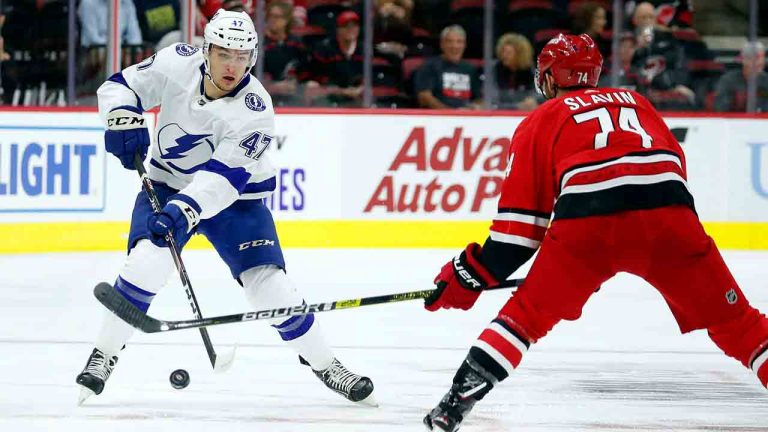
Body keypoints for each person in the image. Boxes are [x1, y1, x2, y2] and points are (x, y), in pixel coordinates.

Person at [422, 34, 768, 432]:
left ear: (550, 78)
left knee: (524, 318)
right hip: (670, 219)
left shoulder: (541, 119)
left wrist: (465, 275)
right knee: (739, 323)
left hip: (588, 225)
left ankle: (452, 407)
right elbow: (674, 169)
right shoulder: (640, 103)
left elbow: (515, 239)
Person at [75, 9, 375, 407]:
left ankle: (326, 363)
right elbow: (120, 86)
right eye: (224, 54)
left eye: (242, 56)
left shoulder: (256, 109)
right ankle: (104, 354)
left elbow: (223, 181)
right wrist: (122, 118)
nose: (233, 65)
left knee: (271, 287)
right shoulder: (176, 61)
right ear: (206, 50)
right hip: (168, 184)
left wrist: (184, 210)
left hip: (237, 199)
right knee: (146, 263)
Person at [413, 25, 481, 109]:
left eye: (459, 42)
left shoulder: (470, 69)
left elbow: (479, 98)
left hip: (465, 118)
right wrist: (449, 112)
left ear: (464, 45)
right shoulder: (430, 66)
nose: (454, 46)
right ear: (442, 44)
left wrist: (472, 109)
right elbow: (424, 97)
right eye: (449, 41)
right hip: (438, 117)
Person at [305, 10, 364, 107]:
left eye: (354, 26)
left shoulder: (364, 50)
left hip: (356, 102)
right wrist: (342, 92)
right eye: (346, 26)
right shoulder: (324, 50)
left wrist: (362, 89)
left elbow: (369, 79)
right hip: (329, 101)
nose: (351, 29)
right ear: (338, 29)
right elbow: (314, 85)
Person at [713, 41, 768, 113]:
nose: (760, 62)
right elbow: (720, 110)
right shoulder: (728, 81)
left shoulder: (766, 81)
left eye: (762, 57)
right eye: (756, 58)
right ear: (743, 59)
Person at [490, 33, 538, 111]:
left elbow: (540, 94)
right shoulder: (495, 69)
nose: (504, 56)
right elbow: (492, 100)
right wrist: (516, 106)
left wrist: (532, 100)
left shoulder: (530, 70)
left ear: (520, 55)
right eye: (503, 52)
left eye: (508, 53)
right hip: (500, 114)